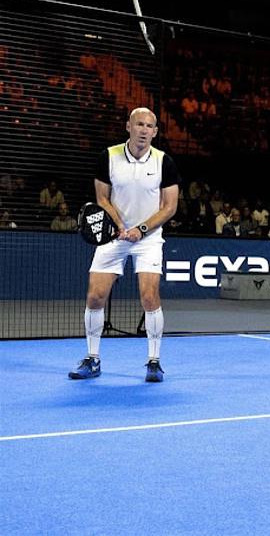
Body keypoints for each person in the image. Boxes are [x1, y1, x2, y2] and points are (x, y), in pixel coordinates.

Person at [68, 107, 180, 383]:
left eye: (149, 126)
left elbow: (169, 207)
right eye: (139, 124)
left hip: (149, 237)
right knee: (95, 296)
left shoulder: (164, 162)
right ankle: (92, 359)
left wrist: (141, 230)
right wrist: (119, 227)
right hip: (113, 236)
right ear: (128, 127)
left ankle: (154, 362)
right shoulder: (109, 156)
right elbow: (102, 199)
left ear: (155, 132)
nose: (143, 129)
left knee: (149, 296)